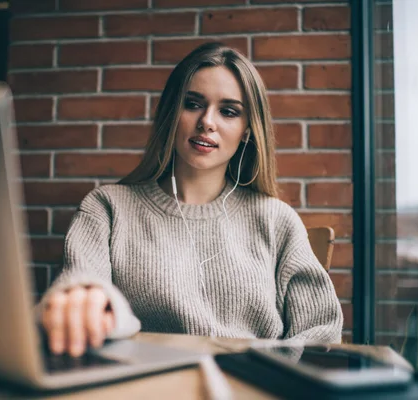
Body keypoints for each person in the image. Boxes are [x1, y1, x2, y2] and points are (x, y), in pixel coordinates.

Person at [36, 43, 344, 357]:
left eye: (228, 111)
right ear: (172, 113)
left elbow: (321, 332)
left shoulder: (276, 220)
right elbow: (81, 283)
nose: (207, 121)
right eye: (193, 104)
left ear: (248, 130)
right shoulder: (107, 207)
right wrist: (83, 300)